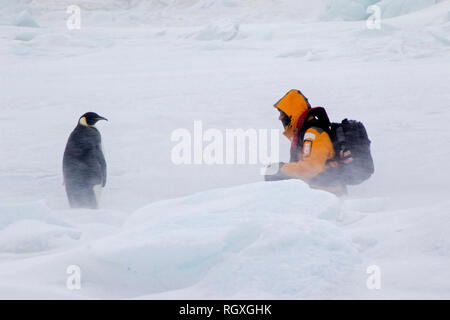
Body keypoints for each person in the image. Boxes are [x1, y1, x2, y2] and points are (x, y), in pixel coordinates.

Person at [264, 89, 347, 196]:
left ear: (291, 113)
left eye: (282, 113)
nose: (279, 117)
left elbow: (311, 168)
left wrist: (281, 169)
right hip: (322, 192)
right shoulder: (306, 133)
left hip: (328, 193)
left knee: (276, 173)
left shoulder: (312, 134)